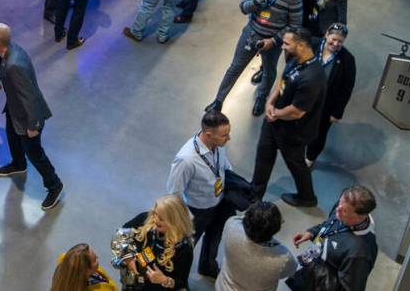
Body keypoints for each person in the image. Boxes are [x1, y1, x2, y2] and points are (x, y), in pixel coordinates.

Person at [0, 23, 64, 210]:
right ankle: (18, 163)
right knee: (11, 136)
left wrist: (33, 126)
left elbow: (30, 96)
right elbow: (1, 60)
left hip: (28, 117)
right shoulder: (11, 49)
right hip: (15, 110)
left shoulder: (14, 66)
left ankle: (54, 185)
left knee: (35, 154)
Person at [206, 0, 302, 116]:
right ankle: (218, 101)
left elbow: (295, 26)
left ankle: (261, 97)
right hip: (251, 33)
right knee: (235, 67)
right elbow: (243, 8)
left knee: (269, 71)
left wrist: (274, 40)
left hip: (273, 40)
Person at [251, 28, 325, 208]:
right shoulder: (294, 58)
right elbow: (282, 79)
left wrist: (275, 113)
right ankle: (254, 196)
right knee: (263, 157)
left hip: (293, 131)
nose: (282, 46)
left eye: (286, 43)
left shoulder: (312, 77)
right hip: (274, 121)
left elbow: (297, 112)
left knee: (296, 165)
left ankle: (307, 197)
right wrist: (270, 102)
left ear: (300, 45)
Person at [167, 111, 233, 278]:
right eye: (224, 135)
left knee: (214, 238)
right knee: (185, 251)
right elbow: (174, 193)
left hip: (218, 203)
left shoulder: (217, 145)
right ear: (209, 134)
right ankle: (178, 280)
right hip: (196, 212)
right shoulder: (186, 159)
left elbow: (224, 165)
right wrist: (188, 218)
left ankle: (207, 267)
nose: (228, 138)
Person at [292, 187, 378, 291]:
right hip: (312, 268)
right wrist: (311, 233)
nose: (338, 209)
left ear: (360, 217)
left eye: (344, 211)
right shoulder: (342, 207)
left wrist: (318, 274)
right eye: (339, 203)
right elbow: (329, 223)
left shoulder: (359, 253)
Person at [215, 201, 296, 291]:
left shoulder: (231, 226)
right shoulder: (283, 257)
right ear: (277, 228)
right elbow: (290, 271)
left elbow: (239, 219)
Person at [306, 24, 356, 165]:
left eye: (340, 41)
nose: (336, 44)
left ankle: (310, 157)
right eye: (333, 39)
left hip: (325, 104)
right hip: (304, 96)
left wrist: (337, 112)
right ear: (327, 34)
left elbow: (347, 88)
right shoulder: (311, 44)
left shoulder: (348, 60)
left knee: (319, 132)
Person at [120, 195, 195, 290]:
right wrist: (128, 257)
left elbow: (181, 282)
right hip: (131, 280)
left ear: (175, 221)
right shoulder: (145, 219)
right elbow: (121, 234)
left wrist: (165, 280)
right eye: (155, 214)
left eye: (162, 219)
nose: (155, 220)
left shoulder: (184, 248)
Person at [50, 244, 118, 291]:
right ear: (86, 270)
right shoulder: (101, 289)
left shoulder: (66, 266)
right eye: (94, 260)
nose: (97, 257)